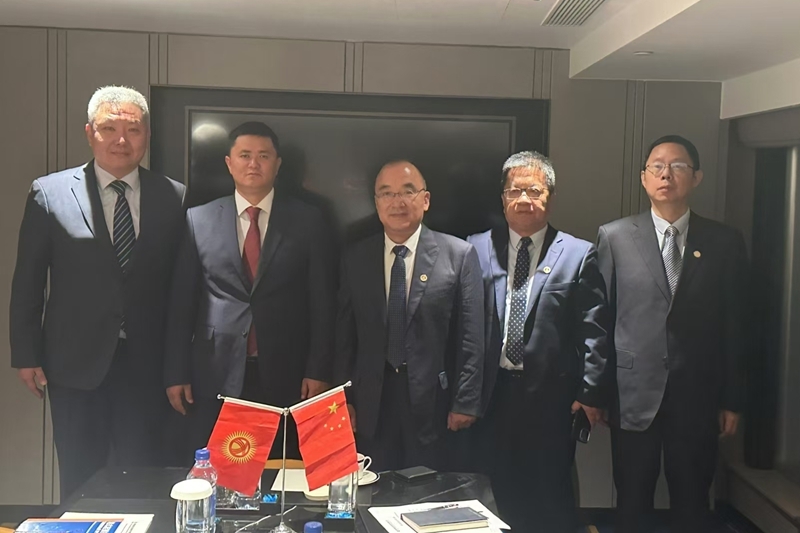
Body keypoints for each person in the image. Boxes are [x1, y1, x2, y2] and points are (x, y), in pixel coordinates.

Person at [9, 86, 186, 498]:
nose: (121, 140)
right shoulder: (50, 193)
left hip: (147, 366)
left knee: (144, 478)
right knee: (80, 478)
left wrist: (179, 364)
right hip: (73, 363)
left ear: (147, 136)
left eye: (133, 130)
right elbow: (28, 281)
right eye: (109, 128)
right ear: (90, 133)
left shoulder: (173, 196)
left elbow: (180, 288)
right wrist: (26, 353)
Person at [597, 135, 749, 532]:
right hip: (631, 396)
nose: (666, 174)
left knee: (693, 505)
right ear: (644, 178)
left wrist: (732, 399)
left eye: (678, 166)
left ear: (696, 177)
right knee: (631, 503)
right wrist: (597, 393)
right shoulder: (614, 237)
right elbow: (602, 321)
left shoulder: (725, 242)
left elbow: (736, 326)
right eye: (657, 166)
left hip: (698, 397)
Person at [164, 121, 335, 460]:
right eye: (244, 155)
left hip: (287, 369)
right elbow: (182, 302)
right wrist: (176, 372)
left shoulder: (309, 220)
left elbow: (323, 301)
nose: (253, 164)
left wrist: (318, 369)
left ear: (278, 164)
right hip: (216, 370)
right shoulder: (199, 219)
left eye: (263, 156)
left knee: (282, 468)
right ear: (229, 163)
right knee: (224, 468)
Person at [466, 151, 611, 532]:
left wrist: (590, 392)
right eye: (515, 191)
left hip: (552, 399)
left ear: (550, 196)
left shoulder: (578, 254)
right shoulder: (475, 248)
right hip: (490, 396)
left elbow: (594, 328)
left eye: (534, 191)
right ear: (502, 198)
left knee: (549, 494)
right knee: (490, 492)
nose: (524, 199)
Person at [335, 160, 484, 471]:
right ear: (376, 203)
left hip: (434, 403)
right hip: (370, 401)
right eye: (387, 194)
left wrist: (465, 401)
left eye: (407, 192)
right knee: (373, 486)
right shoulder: (355, 256)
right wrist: (342, 400)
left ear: (425, 200)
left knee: (427, 488)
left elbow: (471, 338)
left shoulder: (458, 255)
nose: (397, 202)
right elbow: (344, 336)